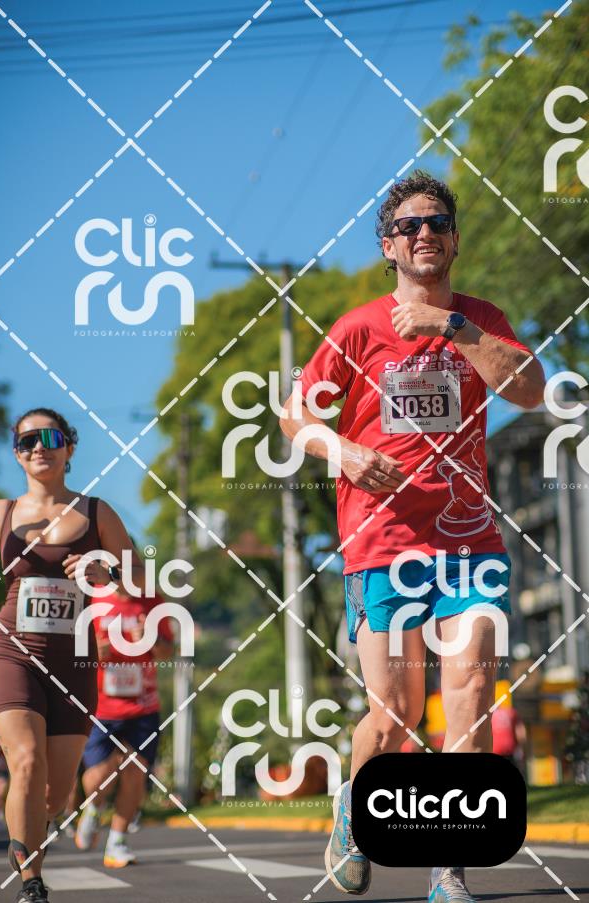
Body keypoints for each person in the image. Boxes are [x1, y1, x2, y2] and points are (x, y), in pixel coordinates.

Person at [280, 171, 545, 903]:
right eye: (408, 226)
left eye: (437, 222)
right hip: (382, 542)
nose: (423, 233)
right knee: (395, 714)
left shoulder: (482, 319)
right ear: (388, 247)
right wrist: (342, 451)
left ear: (454, 240)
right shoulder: (357, 328)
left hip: (469, 542)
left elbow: (530, 389)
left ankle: (447, 868)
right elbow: (294, 415)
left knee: (470, 691)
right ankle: (354, 808)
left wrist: (454, 329)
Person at [0, 408, 144, 902]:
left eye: (51, 438)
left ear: (69, 448)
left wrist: (106, 572)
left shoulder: (97, 512)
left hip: (73, 661)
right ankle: (31, 882)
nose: (39, 447)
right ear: (17, 453)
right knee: (26, 759)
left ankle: (31, 831)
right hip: (9, 651)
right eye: (27, 440)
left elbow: (139, 576)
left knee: (54, 795)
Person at [75, 586, 173, 867]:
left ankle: (117, 841)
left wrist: (152, 640)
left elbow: (168, 653)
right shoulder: (91, 598)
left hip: (143, 706)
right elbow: (72, 653)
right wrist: (92, 651)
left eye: (133, 567)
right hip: (101, 706)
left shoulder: (153, 600)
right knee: (98, 776)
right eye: (117, 567)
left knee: (135, 770)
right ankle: (94, 808)